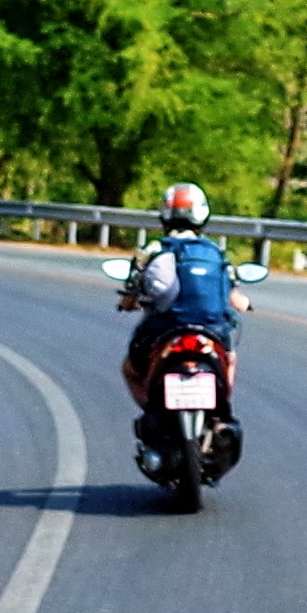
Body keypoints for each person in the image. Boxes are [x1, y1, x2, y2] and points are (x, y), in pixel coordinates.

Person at [114, 182, 244, 431]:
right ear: (202, 216)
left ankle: (152, 410)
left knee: (130, 368)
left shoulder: (153, 250)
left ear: (165, 215)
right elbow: (233, 294)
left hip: (163, 330)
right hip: (211, 330)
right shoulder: (215, 252)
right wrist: (245, 304)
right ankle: (220, 413)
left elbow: (133, 287)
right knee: (230, 357)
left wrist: (127, 301)